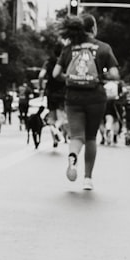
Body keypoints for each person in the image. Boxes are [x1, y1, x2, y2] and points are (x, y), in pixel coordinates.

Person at [52, 14, 119, 190]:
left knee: (76, 136)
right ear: (94, 28)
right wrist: (100, 77)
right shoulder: (103, 48)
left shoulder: (69, 48)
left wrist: (68, 77)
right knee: (90, 137)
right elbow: (114, 74)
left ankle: (73, 156)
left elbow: (55, 74)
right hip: (95, 97)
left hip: (73, 97)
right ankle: (87, 179)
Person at [38, 43, 67, 147]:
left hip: (50, 91)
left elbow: (41, 75)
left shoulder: (48, 62)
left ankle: (54, 141)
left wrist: (41, 87)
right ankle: (56, 127)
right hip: (62, 91)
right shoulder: (64, 62)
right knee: (61, 118)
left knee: (52, 117)